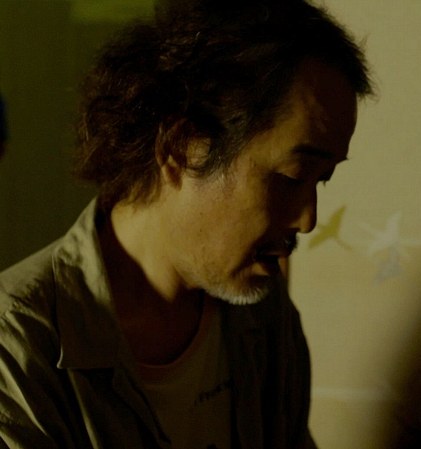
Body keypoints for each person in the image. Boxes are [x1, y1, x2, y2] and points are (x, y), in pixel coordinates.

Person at [0, 0, 372, 447]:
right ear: (181, 148)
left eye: (322, 180)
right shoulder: (17, 346)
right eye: (292, 177)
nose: (308, 218)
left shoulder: (263, 316)